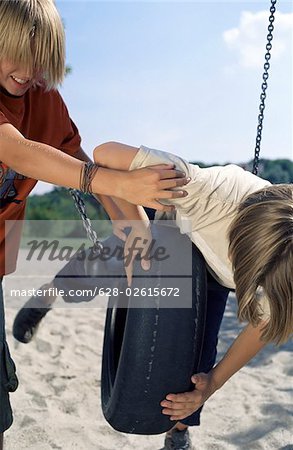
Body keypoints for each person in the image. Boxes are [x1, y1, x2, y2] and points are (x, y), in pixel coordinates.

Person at [13, 144, 293, 450]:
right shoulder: (201, 191)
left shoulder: (284, 270)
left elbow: (264, 325)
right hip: (167, 222)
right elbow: (106, 153)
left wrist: (212, 384)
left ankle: (178, 432)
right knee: (106, 261)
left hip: (213, 272)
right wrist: (137, 231)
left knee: (199, 355)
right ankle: (48, 295)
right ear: (241, 249)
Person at [0, 0, 189, 446]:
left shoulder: (42, 96)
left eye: (39, 57)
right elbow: (17, 151)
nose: (28, 69)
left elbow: (83, 167)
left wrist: (137, 232)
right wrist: (118, 181)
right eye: (15, 53)